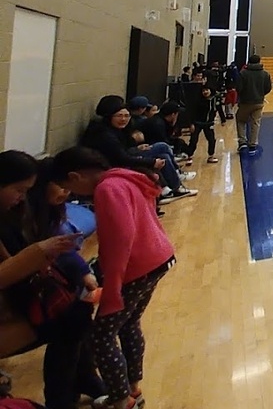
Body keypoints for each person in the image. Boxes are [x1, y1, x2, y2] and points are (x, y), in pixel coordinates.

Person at [49, 148, 176, 409]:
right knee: (129, 324)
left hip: (137, 268)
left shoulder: (108, 189)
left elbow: (121, 239)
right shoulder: (126, 177)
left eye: (67, 187)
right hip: (159, 258)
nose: (70, 194)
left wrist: (113, 285)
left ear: (75, 176)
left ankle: (120, 400)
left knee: (101, 336)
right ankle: (132, 389)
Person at [0, 152, 105, 405]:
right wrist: (38, 256)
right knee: (73, 320)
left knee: (77, 310)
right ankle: (67, 395)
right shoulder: (20, 214)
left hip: (21, 296)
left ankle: (79, 387)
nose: (21, 196)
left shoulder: (20, 213)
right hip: (12, 306)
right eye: (18, 189)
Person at [80, 97, 195, 203]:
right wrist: (152, 162)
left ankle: (171, 186)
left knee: (162, 150)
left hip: (121, 157)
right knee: (162, 152)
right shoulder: (104, 134)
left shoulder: (115, 129)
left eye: (126, 116)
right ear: (109, 115)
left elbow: (124, 147)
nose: (124, 119)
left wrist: (137, 147)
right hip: (110, 166)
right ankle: (172, 186)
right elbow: (121, 158)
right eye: (119, 115)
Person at [235, 55, 272, 153]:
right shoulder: (265, 74)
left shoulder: (243, 73)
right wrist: (260, 94)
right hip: (259, 102)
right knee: (255, 123)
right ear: (259, 61)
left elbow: (238, 87)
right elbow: (268, 88)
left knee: (241, 121)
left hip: (245, 102)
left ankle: (242, 142)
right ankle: (253, 144)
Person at [185, 82, 219, 164]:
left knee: (211, 140)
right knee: (193, 140)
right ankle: (189, 156)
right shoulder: (197, 101)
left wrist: (223, 120)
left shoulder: (214, 100)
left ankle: (211, 156)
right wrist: (191, 124)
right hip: (197, 123)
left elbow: (219, 109)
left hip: (209, 124)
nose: (205, 92)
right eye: (203, 90)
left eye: (207, 90)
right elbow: (192, 112)